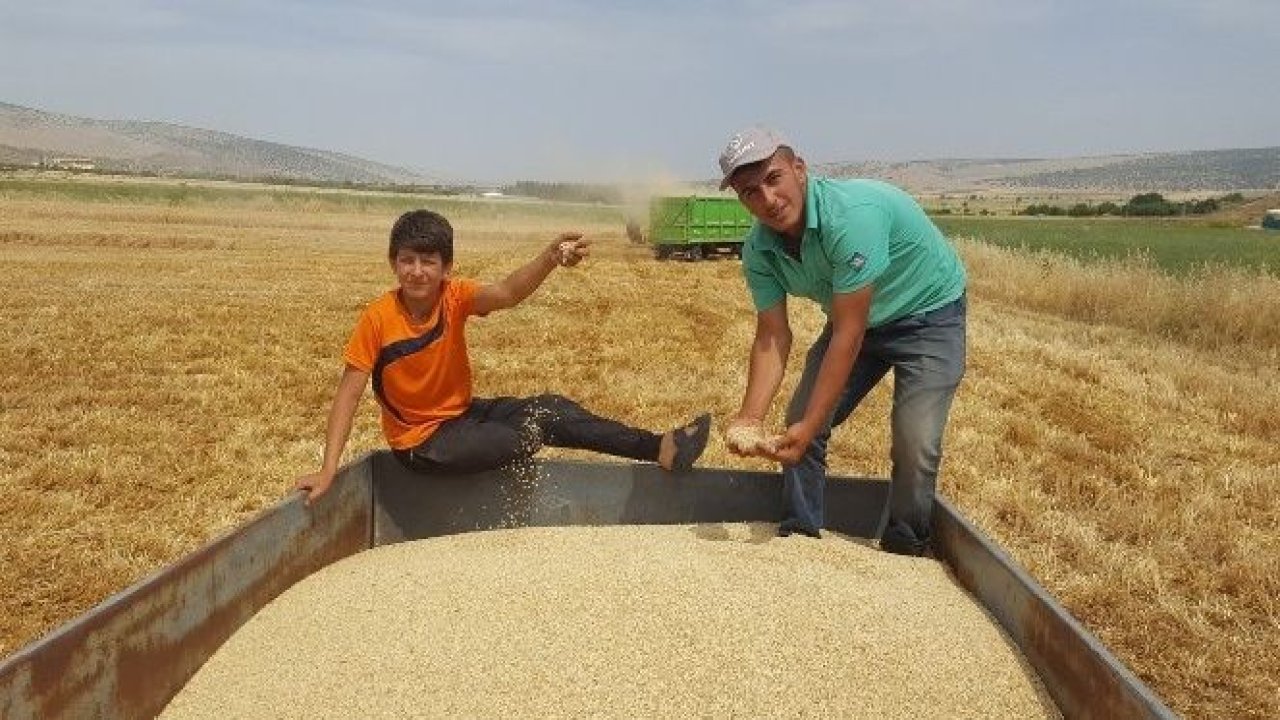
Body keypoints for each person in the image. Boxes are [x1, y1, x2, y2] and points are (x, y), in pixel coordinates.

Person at [296, 209, 711, 505]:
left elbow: (509, 292)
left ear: (446, 267)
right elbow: (348, 395)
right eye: (407, 260)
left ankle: (660, 447)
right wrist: (329, 469)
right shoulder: (378, 319)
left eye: (428, 261)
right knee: (522, 434)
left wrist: (550, 259)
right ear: (393, 264)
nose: (417, 271)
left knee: (553, 409)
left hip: (462, 415)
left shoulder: (454, 296)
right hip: (422, 444)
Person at [716, 126, 967, 555]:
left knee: (915, 438)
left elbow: (849, 337)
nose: (768, 201)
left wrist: (811, 427)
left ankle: (906, 546)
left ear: (799, 169)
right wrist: (749, 417)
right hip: (855, 318)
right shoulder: (759, 250)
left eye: (774, 179)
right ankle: (800, 540)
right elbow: (772, 335)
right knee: (800, 418)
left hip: (929, 314)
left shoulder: (851, 217)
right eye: (750, 193)